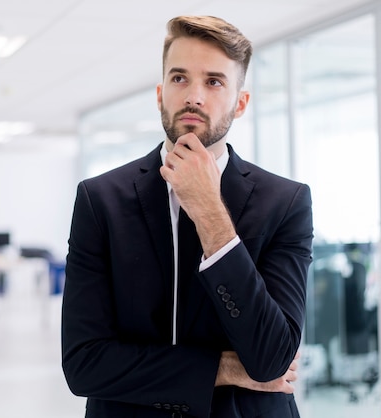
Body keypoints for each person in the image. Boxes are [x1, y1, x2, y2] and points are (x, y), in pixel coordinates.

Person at [62, 15, 313, 418]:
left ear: (240, 102)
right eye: (179, 79)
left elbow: (271, 359)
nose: (194, 95)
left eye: (214, 82)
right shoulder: (99, 200)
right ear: (161, 93)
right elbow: (84, 364)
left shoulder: (285, 202)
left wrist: (211, 213)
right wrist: (225, 367)